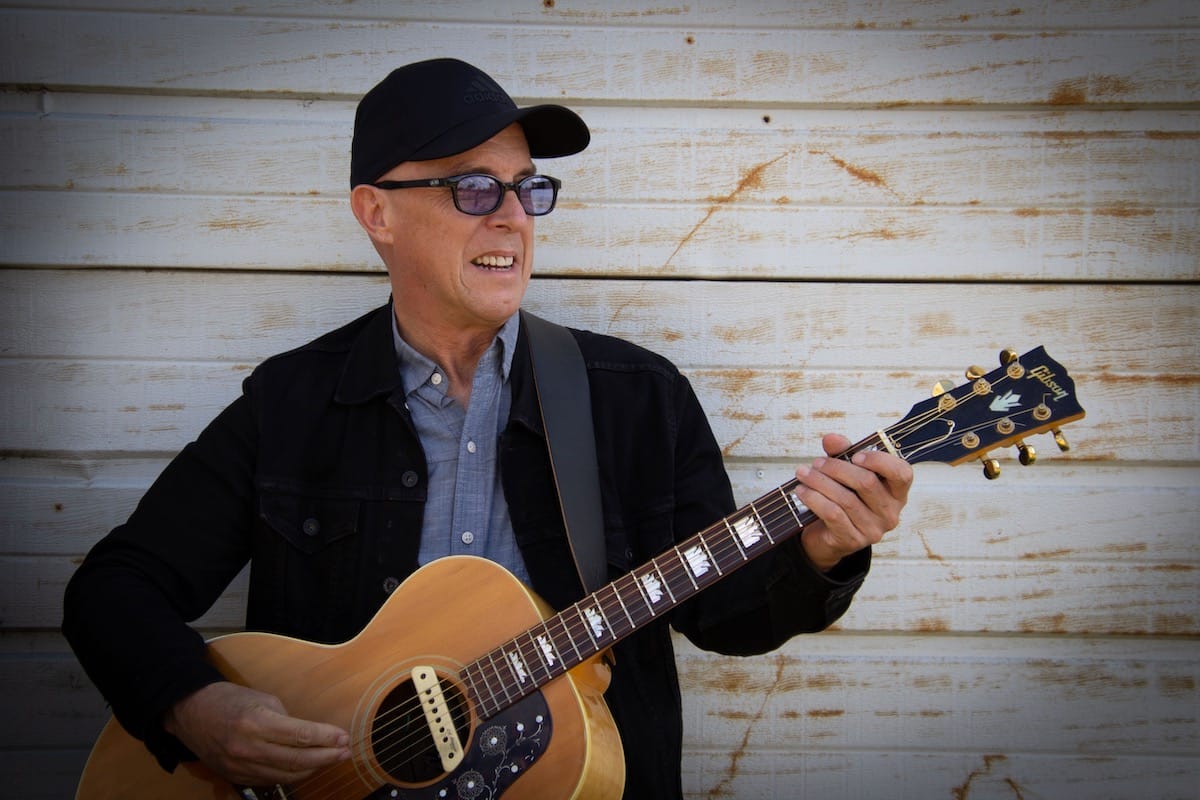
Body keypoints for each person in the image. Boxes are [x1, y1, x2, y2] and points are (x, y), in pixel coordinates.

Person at [62, 57, 912, 798]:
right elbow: (113, 589)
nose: (512, 215)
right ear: (376, 212)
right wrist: (192, 704)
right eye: (473, 187)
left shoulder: (636, 398)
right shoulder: (292, 402)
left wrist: (823, 550)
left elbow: (728, 617)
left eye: (527, 187)